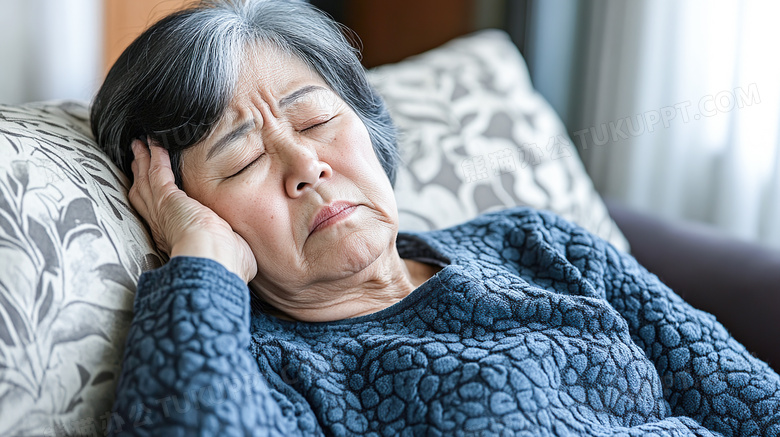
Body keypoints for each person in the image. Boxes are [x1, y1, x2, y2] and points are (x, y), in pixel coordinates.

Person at [91, 0, 780, 435]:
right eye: (241, 163)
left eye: (317, 119)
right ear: (185, 207)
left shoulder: (537, 242)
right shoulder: (267, 366)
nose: (306, 165)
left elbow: (753, 401)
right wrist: (200, 263)